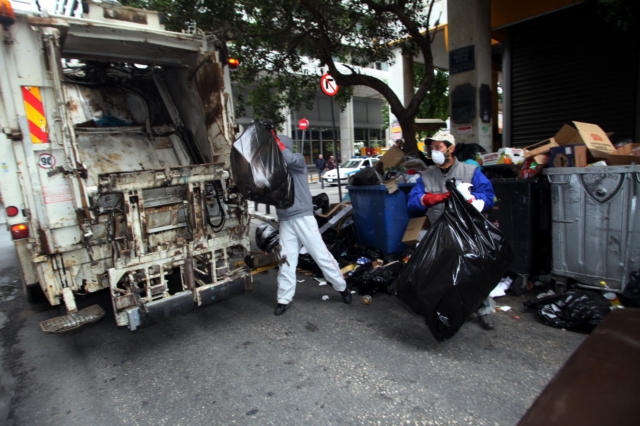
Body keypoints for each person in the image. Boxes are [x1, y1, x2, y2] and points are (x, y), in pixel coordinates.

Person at [406, 131, 497, 330]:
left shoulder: (470, 171)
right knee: (441, 273)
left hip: (467, 231)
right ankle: (444, 310)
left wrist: (475, 200)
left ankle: (483, 310)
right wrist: (427, 199)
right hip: (440, 232)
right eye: (432, 148)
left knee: (473, 271)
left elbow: (489, 195)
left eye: (438, 147)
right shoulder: (427, 175)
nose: (434, 151)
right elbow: (413, 202)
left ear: (451, 148)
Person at [272, 134, 351, 315]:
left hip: (302, 216)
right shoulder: (276, 170)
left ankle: (341, 287)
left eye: (277, 147)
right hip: (285, 218)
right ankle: (283, 298)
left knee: (320, 254)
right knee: (286, 259)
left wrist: (275, 143)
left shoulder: (297, 160)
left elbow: (287, 158)